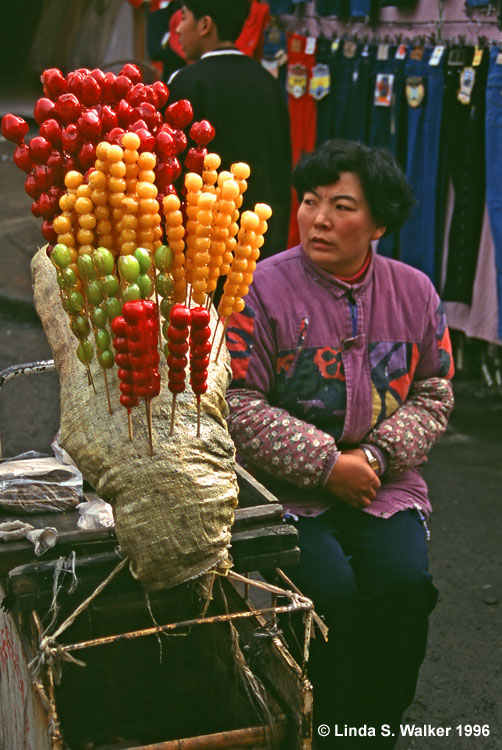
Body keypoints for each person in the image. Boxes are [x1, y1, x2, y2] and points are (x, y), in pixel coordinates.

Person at [224, 139, 455, 748]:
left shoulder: (416, 293)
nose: (318, 219)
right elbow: (236, 401)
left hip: (384, 485)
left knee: (404, 589)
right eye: (309, 201)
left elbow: (434, 388)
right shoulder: (257, 288)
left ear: (379, 222)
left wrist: (373, 458)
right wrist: (327, 464)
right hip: (287, 491)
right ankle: (328, 728)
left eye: (341, 205)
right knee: (329, 599)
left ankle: (378, 725)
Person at [166, 0, 292, 259]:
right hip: (260, 240)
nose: (178, 29)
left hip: (203, 246)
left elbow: (172, 168)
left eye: (184, 17)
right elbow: (281, 166)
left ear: (205, 25)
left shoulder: (186, 82)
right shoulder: (268, 83)